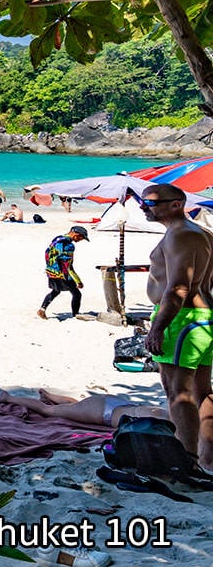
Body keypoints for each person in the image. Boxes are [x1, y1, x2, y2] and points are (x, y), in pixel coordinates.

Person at [139, 183, 213, 468]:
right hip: (202, 319)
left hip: (183, 319)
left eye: (153, 203)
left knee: (176, 390)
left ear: (177, 204)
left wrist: (158, 326)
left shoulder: (181, 235)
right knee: (201, 390)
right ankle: (207, 457)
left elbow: (179, 288)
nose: (146, 207)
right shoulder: (202, 234)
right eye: (144, 202)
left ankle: (187, 460)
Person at [0, 389, 168, 429]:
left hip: (116, 403)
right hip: (102, 413)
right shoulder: (161, 426)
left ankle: (49, 396)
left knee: (76, 405)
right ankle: (8, 398)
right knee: (47, 411)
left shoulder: (167, 413)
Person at [37, 226, 89, 319]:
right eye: (82, 238)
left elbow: (48, 253)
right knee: (77, 293)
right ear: (76, 235)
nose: (81, 240)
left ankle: (42, 309)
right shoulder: (69, 246)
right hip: (62, 274)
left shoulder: (57, 239)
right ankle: (76, 314)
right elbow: (68, 266)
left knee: (56, 291)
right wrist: (78, 281)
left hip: (51, 271)